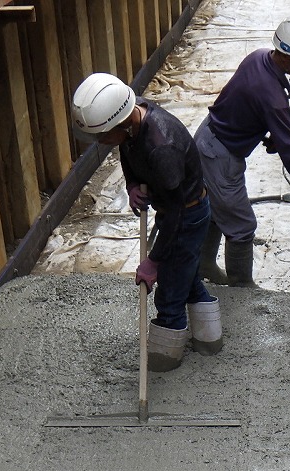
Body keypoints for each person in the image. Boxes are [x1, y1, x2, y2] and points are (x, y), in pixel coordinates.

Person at [71, 73, 222, 372]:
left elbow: (176, 216)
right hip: (176, 210)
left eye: (102, 135)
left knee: (169, 292)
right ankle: (209, 340)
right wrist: (132, 184)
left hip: (186, 215)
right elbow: (126, 152)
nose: (99, 142)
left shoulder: (161, 148)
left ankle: (164, 362)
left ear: (124, 124)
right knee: (185, 276)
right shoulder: (132, 114)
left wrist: (153, 261)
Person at [194, 16, 290, 283]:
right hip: (219, 155)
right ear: (287, 57)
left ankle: (204, 266)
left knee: (219, 211)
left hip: (210, 137)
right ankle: (242, 290)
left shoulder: (258, 57)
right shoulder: (272, 97)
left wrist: (267, 129)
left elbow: (243, 101)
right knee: (241, 225)